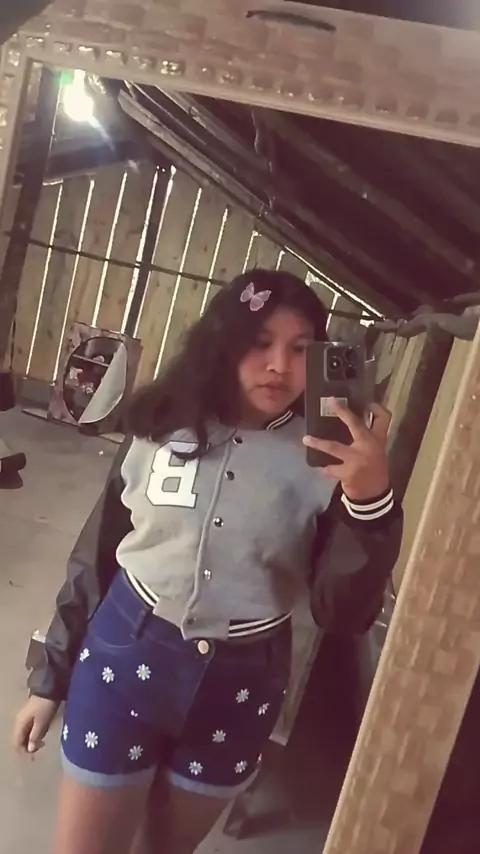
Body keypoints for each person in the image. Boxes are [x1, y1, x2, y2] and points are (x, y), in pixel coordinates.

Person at [12, 269, 402, 854]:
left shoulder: (328, 457)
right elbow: (97, 556)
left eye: (301, 349)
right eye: (260, 342)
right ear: (223, 340)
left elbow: (341, 613)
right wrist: (51, 679)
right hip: (125, 659)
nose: (279, 365)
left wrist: (370, 503)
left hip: (242, 685)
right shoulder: (159, 421)